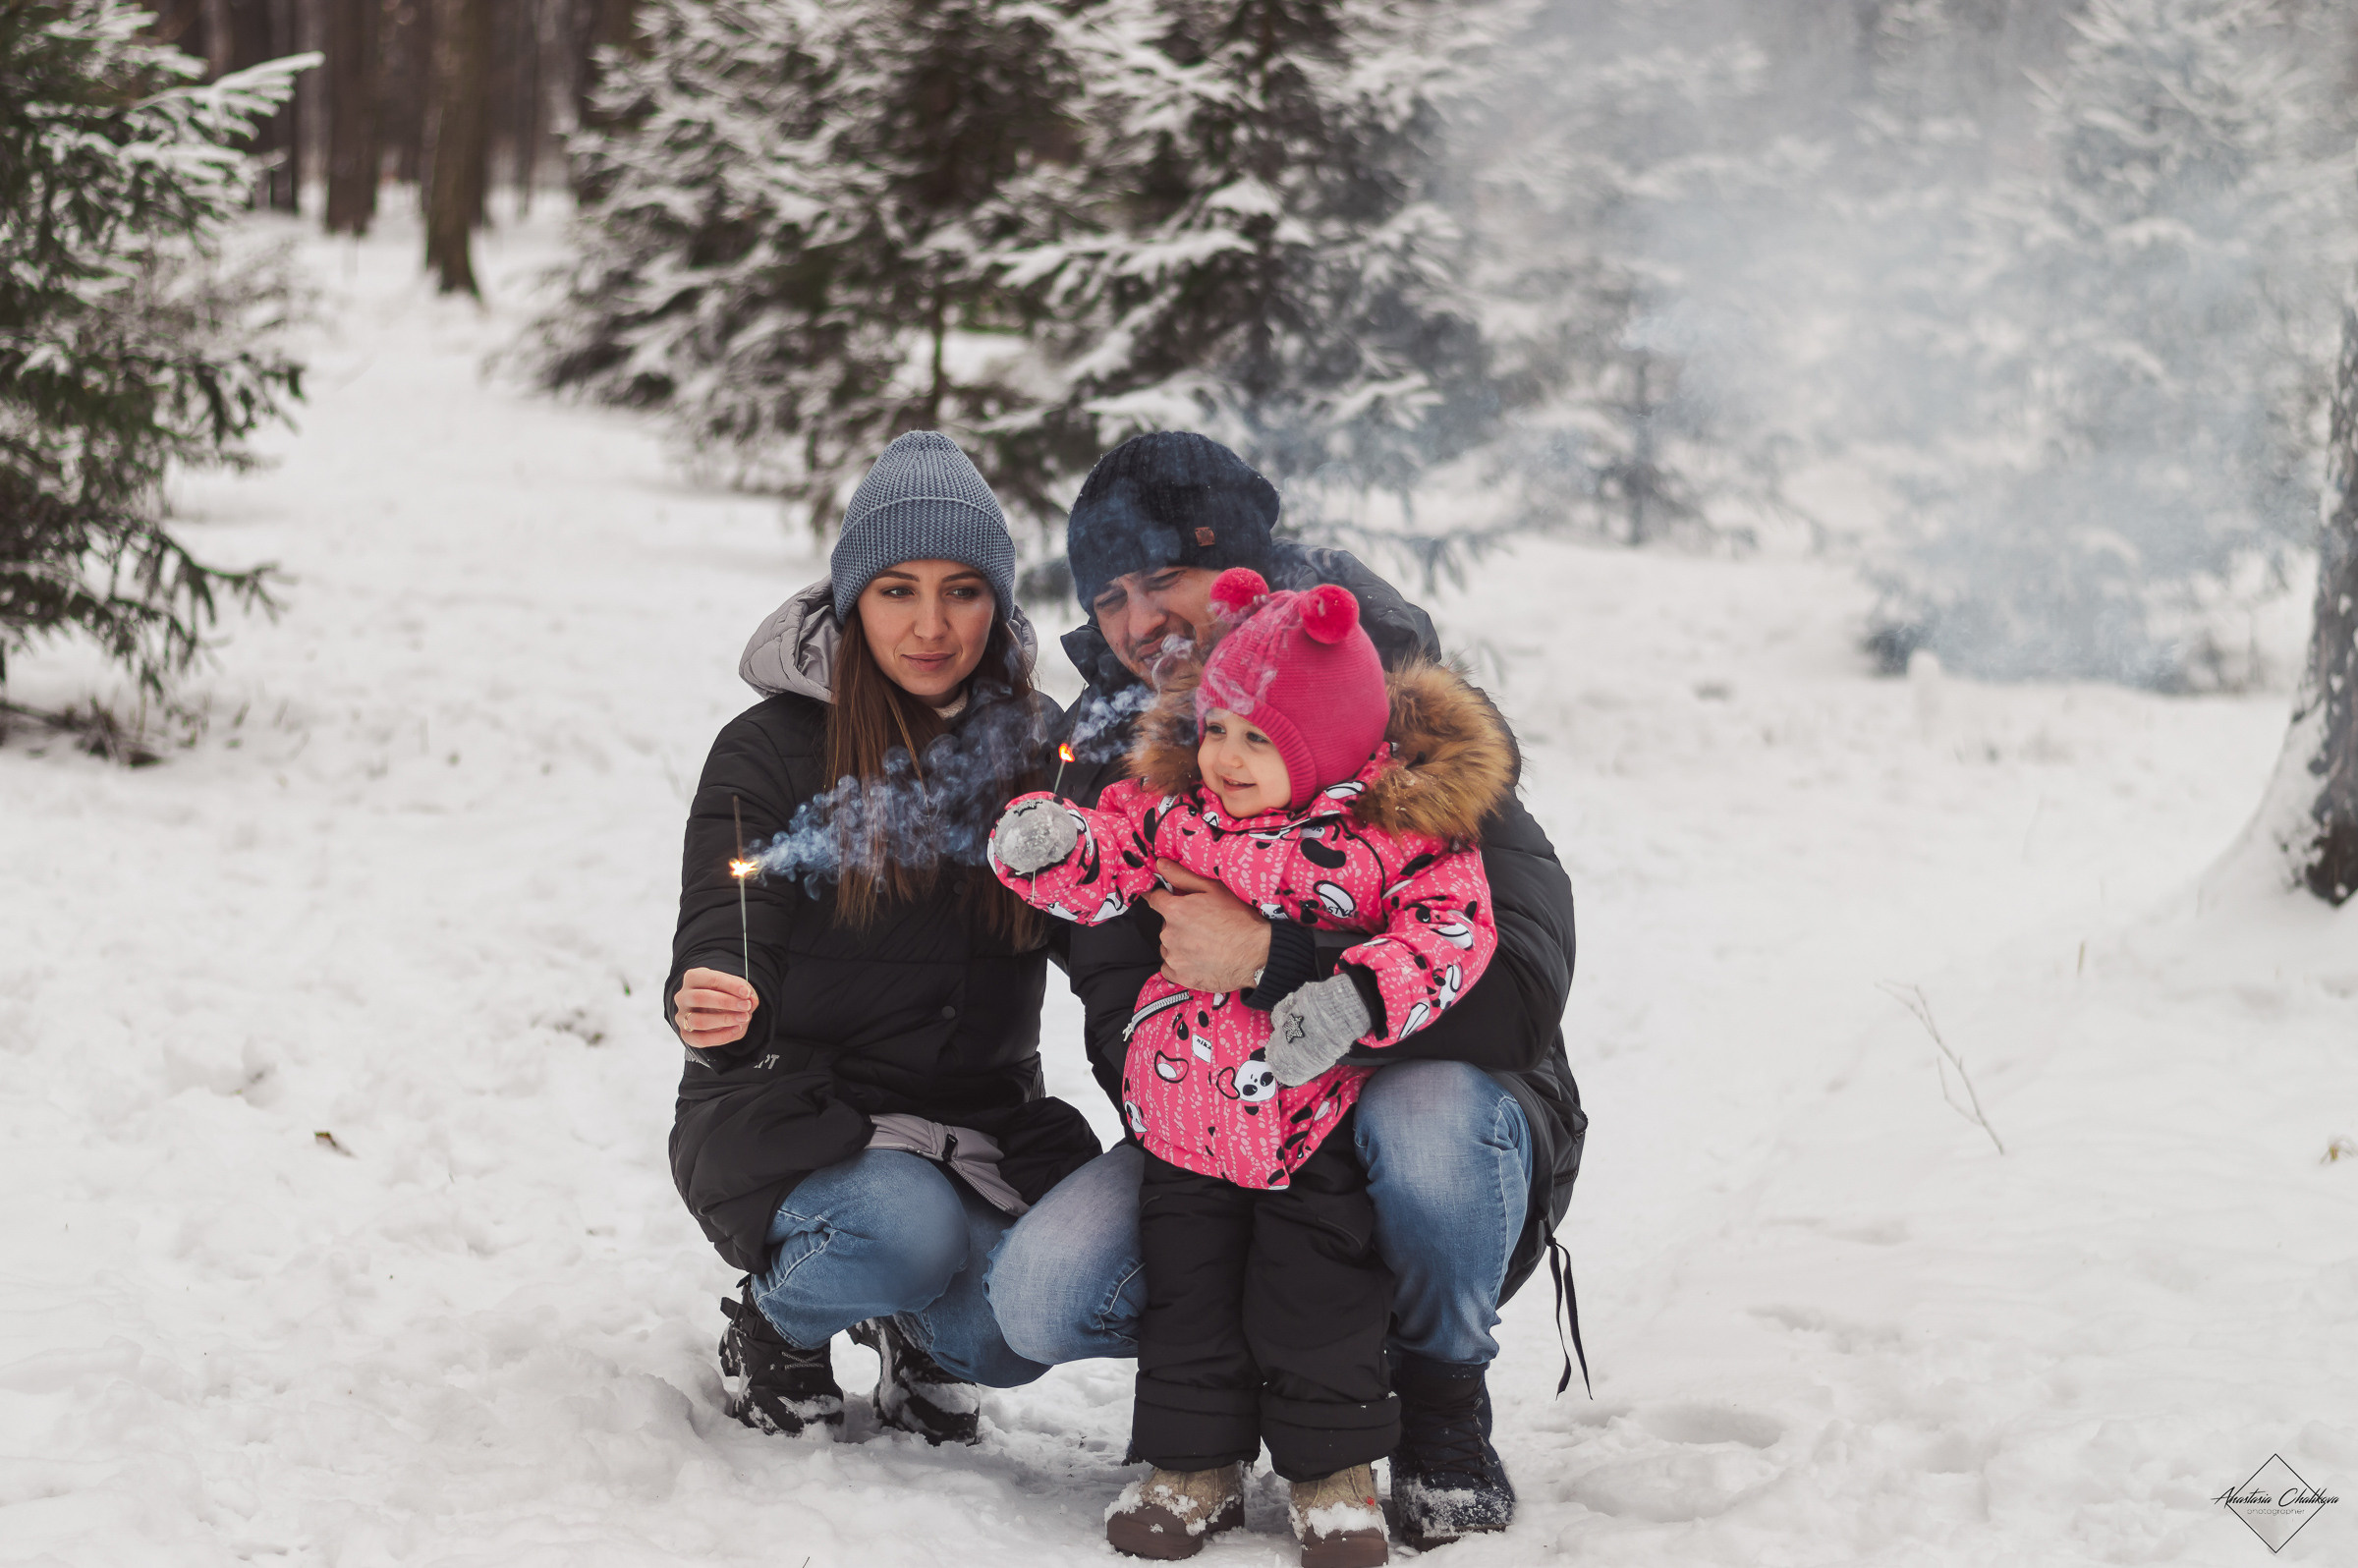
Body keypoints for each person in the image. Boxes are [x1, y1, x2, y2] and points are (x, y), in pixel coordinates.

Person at [987, 431, 1586, 1550]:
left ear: (1245, 564)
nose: (1136, 620)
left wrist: (1277, 963)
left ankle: (1440, 1409)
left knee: (1428, 1125)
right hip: (1227, 1111)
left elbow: (1516, 993)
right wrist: (1222, 1119)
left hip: (1427, 1103)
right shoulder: (1127, 768)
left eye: (1164, 577)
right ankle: (1236, 1391)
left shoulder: (1405, 727)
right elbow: (1117, 996)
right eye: (1109, 594)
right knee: (1042, 1291)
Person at [664, 430, 1101, 1447]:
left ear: (998, 603)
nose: (932, 625)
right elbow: (729, 912)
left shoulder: (1042, 748)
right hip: (790, 1113)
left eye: (963, 590)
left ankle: (927, 1339)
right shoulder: (771, 746)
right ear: (853, 597)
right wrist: (719, 985)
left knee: (1015, 1327)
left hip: (976, 1124)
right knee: (902, 1227)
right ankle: (774, 1327)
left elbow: (1103, 926)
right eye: (898, 590)